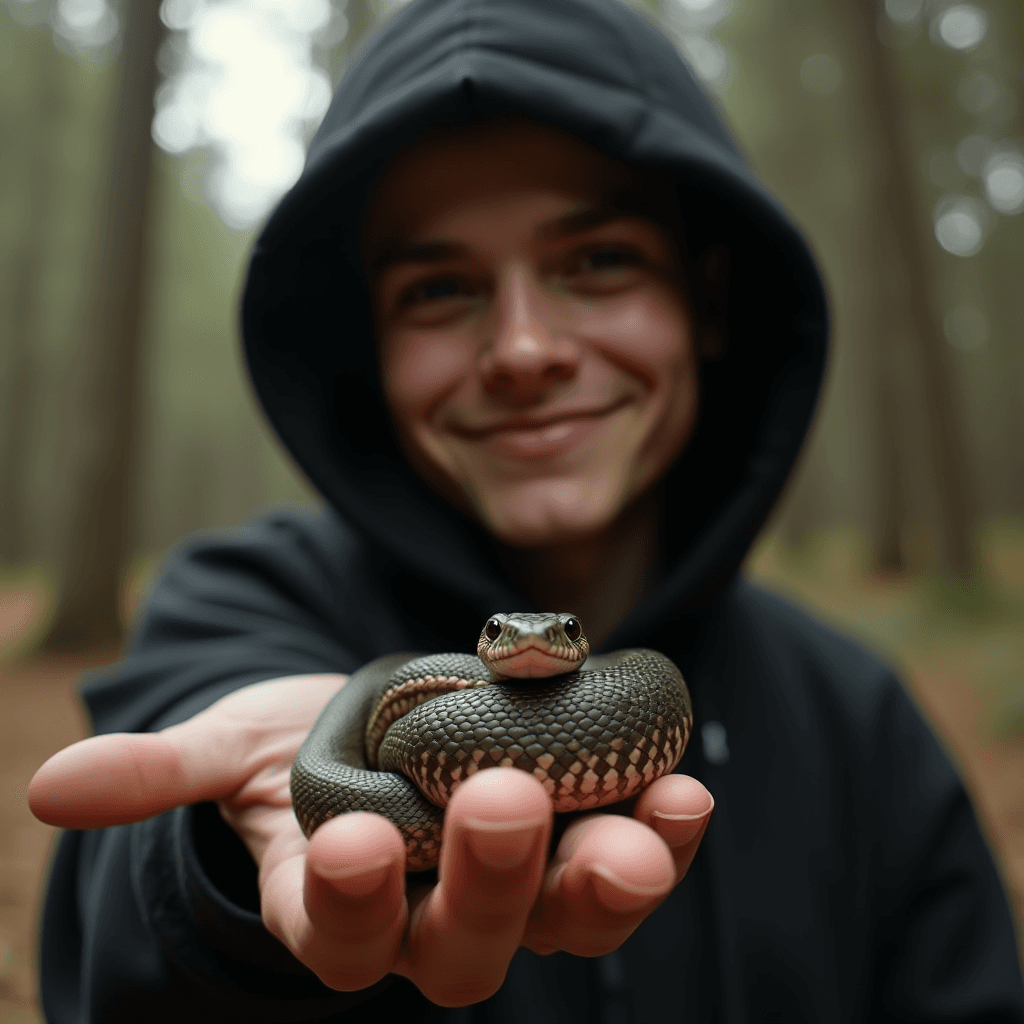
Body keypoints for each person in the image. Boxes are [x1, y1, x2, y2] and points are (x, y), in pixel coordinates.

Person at [28, 0, 1024, 1021]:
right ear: (370, 350)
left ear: (707, 300)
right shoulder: (232, 601)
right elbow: (120, 930)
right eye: (440, 289)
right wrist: (218, 880)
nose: (523, 350)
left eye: (596, 261)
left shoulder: (857, 718)